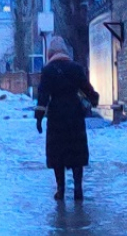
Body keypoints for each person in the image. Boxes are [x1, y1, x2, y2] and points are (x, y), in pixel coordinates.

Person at [34, 37, 98, 201]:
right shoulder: (75, 68)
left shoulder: (48, 71)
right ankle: (78, 188)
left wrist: (39, 118)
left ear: (50, 53)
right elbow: (87, 89)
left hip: (56, 115)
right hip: (75, 114)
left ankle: (61, 189)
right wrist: (94, 100)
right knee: (76, 151)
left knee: (58, 154)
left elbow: (43, 96)